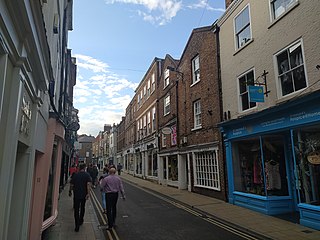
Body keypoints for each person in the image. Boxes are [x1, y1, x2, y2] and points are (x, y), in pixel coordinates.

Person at [69, 163, 92, 232]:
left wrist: (70, 191)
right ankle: (81, 220)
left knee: (76, 209)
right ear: (84, 168)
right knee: (82, 207)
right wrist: (88, 193)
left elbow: (71, 184)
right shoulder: (87, 175)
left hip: (76, 195)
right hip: (83, 195)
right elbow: (88, 185)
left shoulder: (75, 175)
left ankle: (77, 225)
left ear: (79, 168)